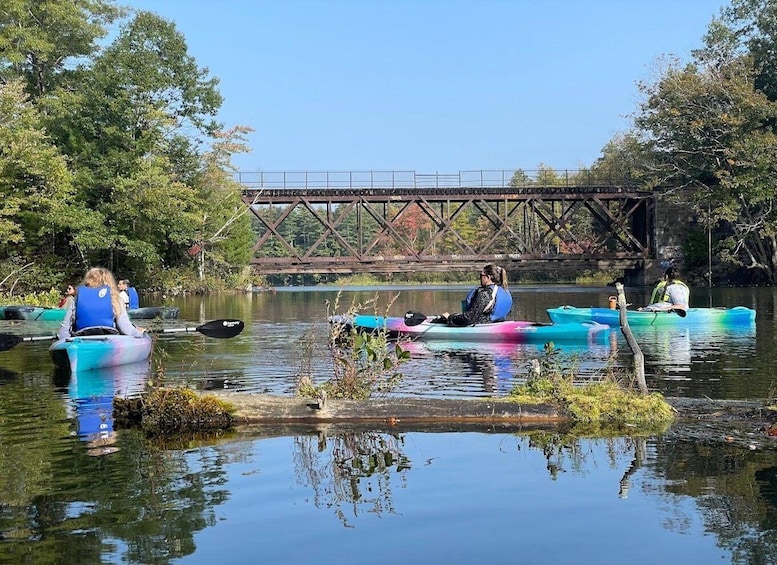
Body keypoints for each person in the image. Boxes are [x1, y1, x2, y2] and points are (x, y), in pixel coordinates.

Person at [57, 267, 145, 340]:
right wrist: (139, 333)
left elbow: (64, 330)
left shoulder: (77, 299)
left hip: (81, 336)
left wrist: (66, 342)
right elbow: (125, 327)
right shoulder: (115, 298)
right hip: (109, 336)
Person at [440, 264, 513, 326]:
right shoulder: (505, 292)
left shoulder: (484, 293)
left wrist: (450, 318)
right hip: (499, 324)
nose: (480, 278)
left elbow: (469, 318)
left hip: (483, 327)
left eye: (481, 275)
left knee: (443, 319)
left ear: (488, 277)